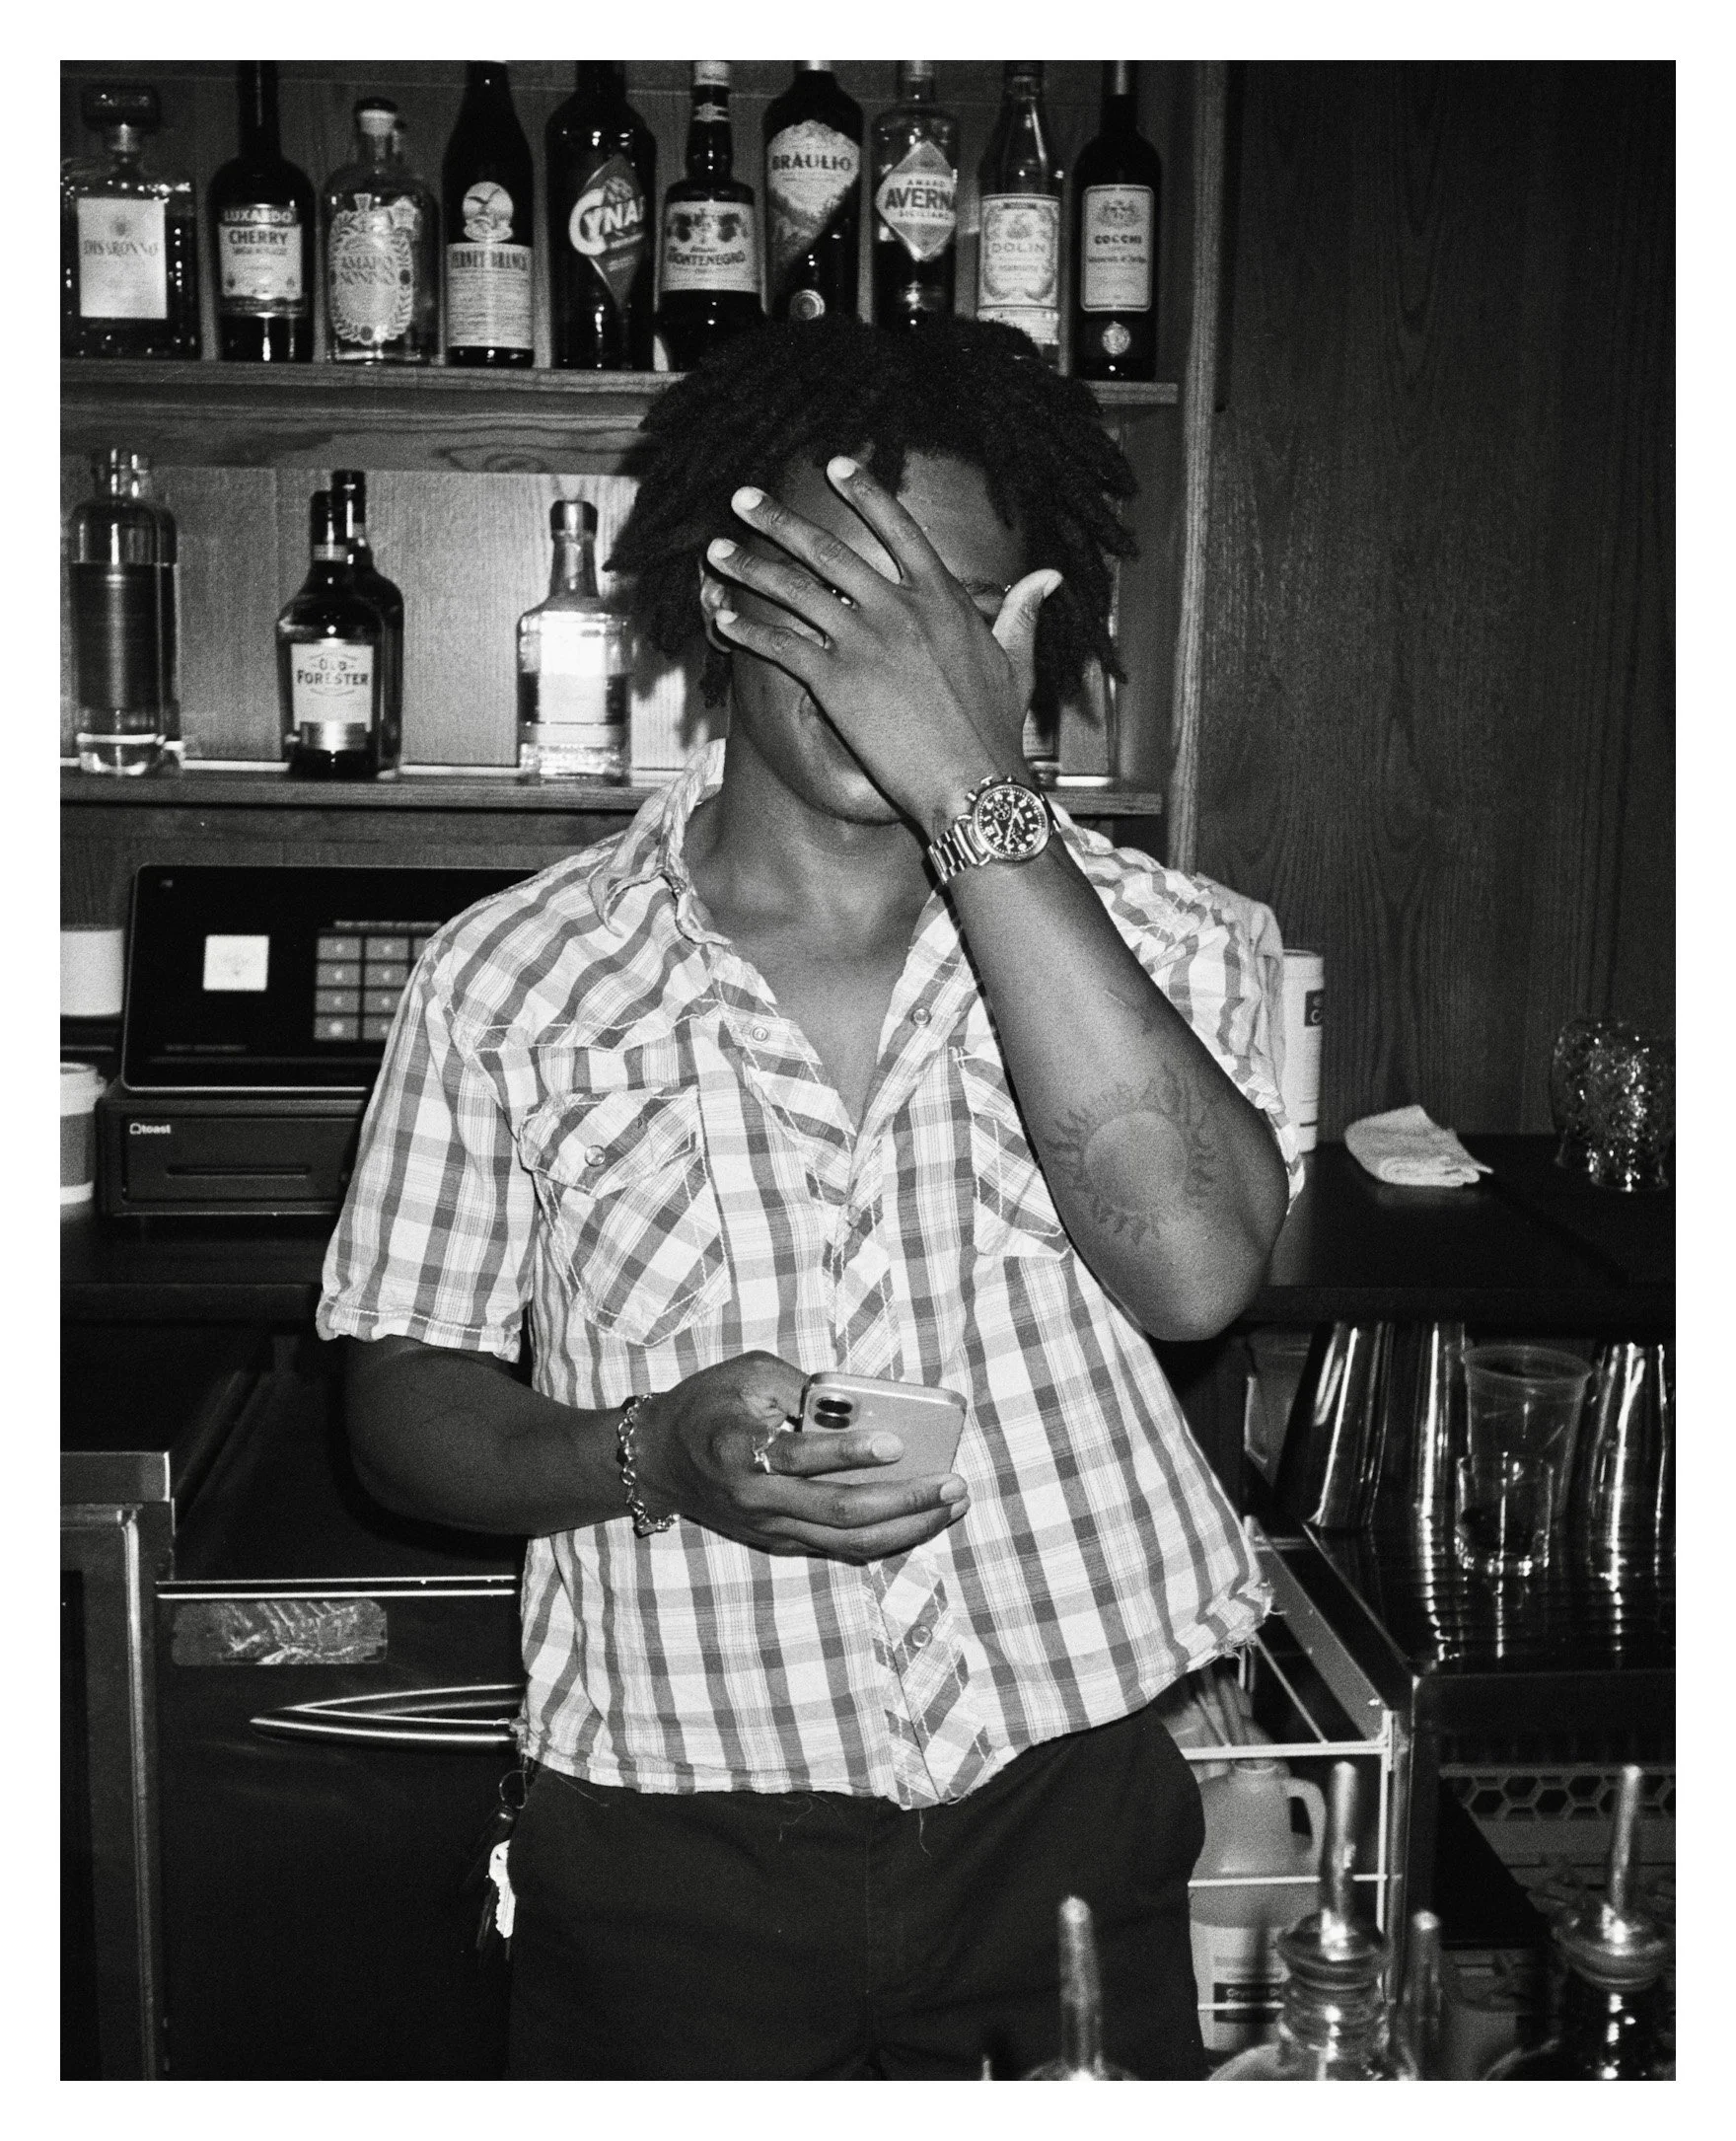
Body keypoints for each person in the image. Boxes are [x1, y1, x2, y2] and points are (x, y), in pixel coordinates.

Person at [318, 314, 1301, 2080]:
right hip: (668, 1839)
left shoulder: (1176, 942)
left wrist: (975, 787)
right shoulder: (509, 978)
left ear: (1025, 635)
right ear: (726, 595)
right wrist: (650, 1452)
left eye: (952, 619)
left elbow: (1197, 1274)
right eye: (843, 601)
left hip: (1074, 1805)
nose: (889, 668)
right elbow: (400, 1402)